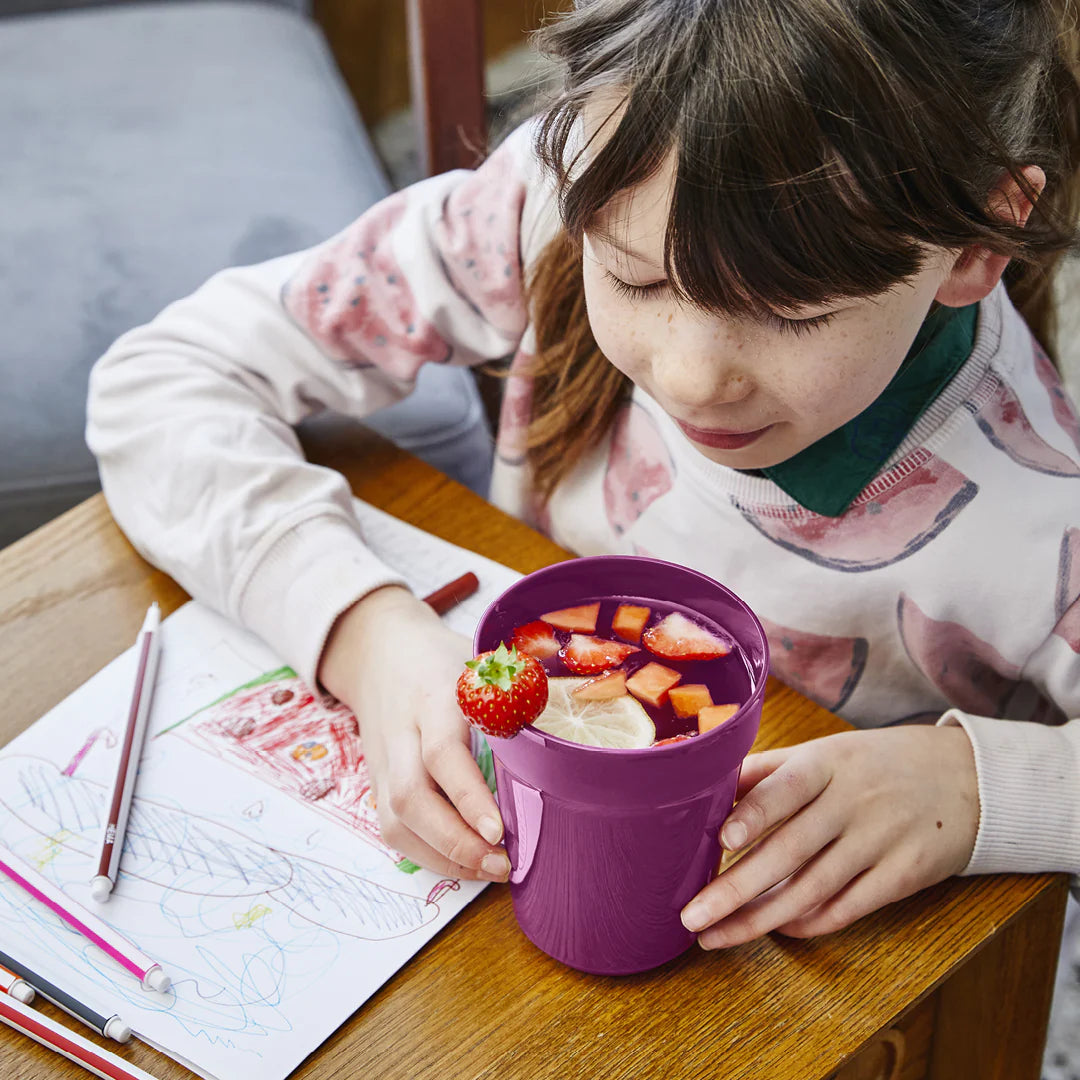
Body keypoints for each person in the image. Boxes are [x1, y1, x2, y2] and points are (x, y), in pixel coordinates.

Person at [87, 0, 1080, 950]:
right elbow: (160, 382)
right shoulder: (547, 200)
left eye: (791, 311)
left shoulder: (1043, 514)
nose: (691, 375)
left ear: (980, 243)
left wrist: (973, 784)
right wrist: (364, 634)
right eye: (634, 277)